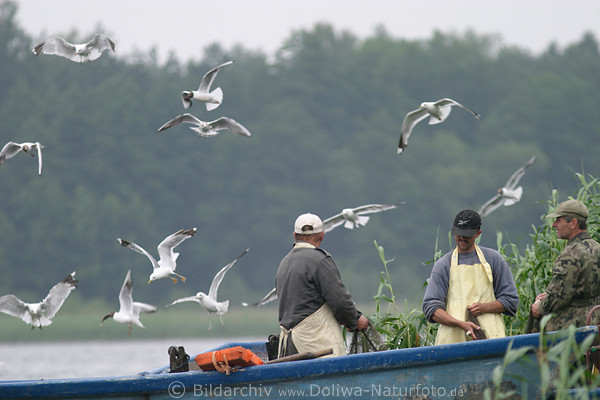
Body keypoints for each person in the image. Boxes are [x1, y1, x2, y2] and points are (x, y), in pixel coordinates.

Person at [275, 213, 369, 358]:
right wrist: (354, 319)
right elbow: (340, 301)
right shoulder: (320, 260)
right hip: (315, 345)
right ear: (322, 235)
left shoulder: (284, 263)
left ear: (294, 235)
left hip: (288, 347)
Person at [422, 210, 519, 345]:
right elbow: (431, 308)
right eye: (458, 233)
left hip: (491, 339)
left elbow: (510, 300)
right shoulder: (443, 265)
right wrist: (460, 324)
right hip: (452, 342)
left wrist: (485, 308)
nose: (462, 237)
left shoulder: (493, 259)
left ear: (478, 233)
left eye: (467, 234)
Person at [530, 199, 600, 331]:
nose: (554, 225)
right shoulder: (597, 248)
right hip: (595, 326)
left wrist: (539, 307)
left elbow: (559, 296)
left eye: (558, 220)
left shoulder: (570, 255)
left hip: (570, 331)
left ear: (573, 223)